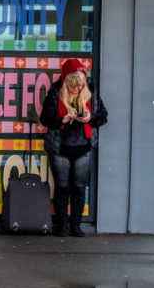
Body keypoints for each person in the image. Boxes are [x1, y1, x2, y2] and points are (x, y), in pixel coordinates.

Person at [37, 57, 108, 237]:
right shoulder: (55, 92)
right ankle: (62, 226)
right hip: (60, 147)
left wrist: (90, 118)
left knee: (78, 187)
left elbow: (103, 116)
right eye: (72, 86)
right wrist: (62, 119)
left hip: (83, 147)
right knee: (62, 187)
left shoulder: (91, 91)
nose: (76, 89)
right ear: (65, 82)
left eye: (79, 86)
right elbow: (44, 118)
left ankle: (76, 226)